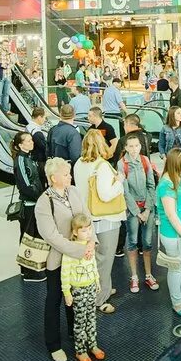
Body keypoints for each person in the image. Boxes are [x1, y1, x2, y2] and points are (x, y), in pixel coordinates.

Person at [35, 157, 93, 361]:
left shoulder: (74, 192)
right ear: (53, 178)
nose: (70, 176)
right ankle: (53, 344)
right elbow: (50, 235)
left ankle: (74, 332)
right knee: (55, 299)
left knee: (76, 298)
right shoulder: (44, 202)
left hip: (81, 257)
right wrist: (78, 251)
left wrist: (91, 243)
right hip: (58, 261)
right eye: (66, 174)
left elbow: (87, 218)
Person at [73, 131, 124, 314]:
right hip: (106, 219)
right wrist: (119, 182)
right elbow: (105, 195)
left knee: (94, 258)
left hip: (88, 218)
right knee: (105, 258)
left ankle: (105, 288)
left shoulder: (79, 163)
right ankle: (99, 299)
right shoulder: (101, 166)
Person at [155, 148, 181, 318]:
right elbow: (171, 215)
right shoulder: (166, 185)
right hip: (175, 235)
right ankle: (177, 302)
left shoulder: (180, 177)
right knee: (176, 269)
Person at [60, 213, 105, 361]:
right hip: (78, 290)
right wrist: (67, 292)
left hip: (91, 286)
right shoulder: (71, 250)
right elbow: (65, 272)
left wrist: (97, 281)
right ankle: (80, 350)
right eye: (84, 231)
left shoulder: (89, 246)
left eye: (89, 230)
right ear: (75, 232)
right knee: (80, 320)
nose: (88, 233)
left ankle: (92, 345)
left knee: (91, 317)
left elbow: (93, 264)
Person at [119, 134, 158, 293]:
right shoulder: (122, 164)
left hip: (146, 208)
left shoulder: (145, 161)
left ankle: (148, 275)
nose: (134, 149)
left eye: (137, 146)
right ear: (126, 148)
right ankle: (134, 276)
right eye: (131, 146)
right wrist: (137, 212)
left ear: (140, 147)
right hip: (133, 210)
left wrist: (148, 209)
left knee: (148, 243)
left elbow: (151, 185)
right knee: (133, 242)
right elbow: (125, 192)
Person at [12, 132, 47, 282]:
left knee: (33, 235)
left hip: (34, 203)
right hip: (29, 204)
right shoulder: (20, 160)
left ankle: (31, 267)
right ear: (20, 145)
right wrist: (40, 198)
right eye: (28, 141)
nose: (32, 142)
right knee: (28, 237)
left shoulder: (28, 158)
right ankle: (29, 271)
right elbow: (26, 185)